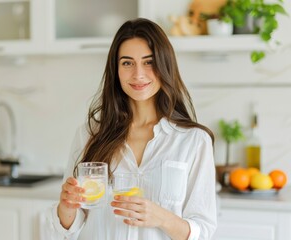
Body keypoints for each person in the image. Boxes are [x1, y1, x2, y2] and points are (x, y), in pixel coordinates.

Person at [40, 18, 217, 240]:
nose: (138, 74)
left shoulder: (193, 140)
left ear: (165, 65)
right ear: (116, 70)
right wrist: (66, 206)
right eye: (127, 63)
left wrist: (161, 217)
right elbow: (69, 227)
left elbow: (203, 231)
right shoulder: (89, 134)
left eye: (148, 62)